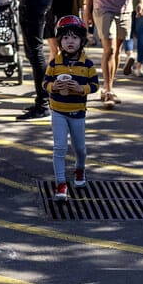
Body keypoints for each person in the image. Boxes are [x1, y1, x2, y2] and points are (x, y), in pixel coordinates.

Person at [43, 15, 99, 201]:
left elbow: (95, 86)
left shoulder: (88, 64)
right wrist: (52, 87)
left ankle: (80, 169)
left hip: (77, 113)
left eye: (74, 37)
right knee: (59, 148)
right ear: (59, 41)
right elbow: (45, 82)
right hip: (58, 111)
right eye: (65, 37)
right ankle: (60, 183)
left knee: (80, 148)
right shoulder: (54, 63)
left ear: (82, 41)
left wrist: (81, 89)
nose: (70, 41)